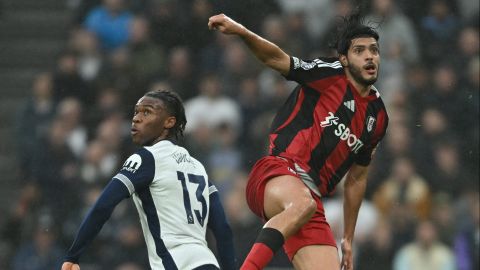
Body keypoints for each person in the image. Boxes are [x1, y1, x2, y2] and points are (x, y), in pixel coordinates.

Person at [208, 11, 389, 270]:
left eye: (374, 50)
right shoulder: (329, 73)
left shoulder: (378, 117)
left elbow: (357, 178)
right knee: (302, 203)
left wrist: (347, 238)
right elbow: (278, 59)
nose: (370, 56)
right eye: (360, 50)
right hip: (277, 171)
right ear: (344, 60)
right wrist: (241, 31)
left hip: (311, 203)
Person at [61, 90, 236, 270]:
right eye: (136, 112)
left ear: (169, 121)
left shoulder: (146, 158)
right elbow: (222, 229)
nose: (136, 118)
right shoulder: (198, 167)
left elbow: (103, 206)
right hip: (207, 261)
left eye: (147, 112)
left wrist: (73, 256)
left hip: (177, 263)